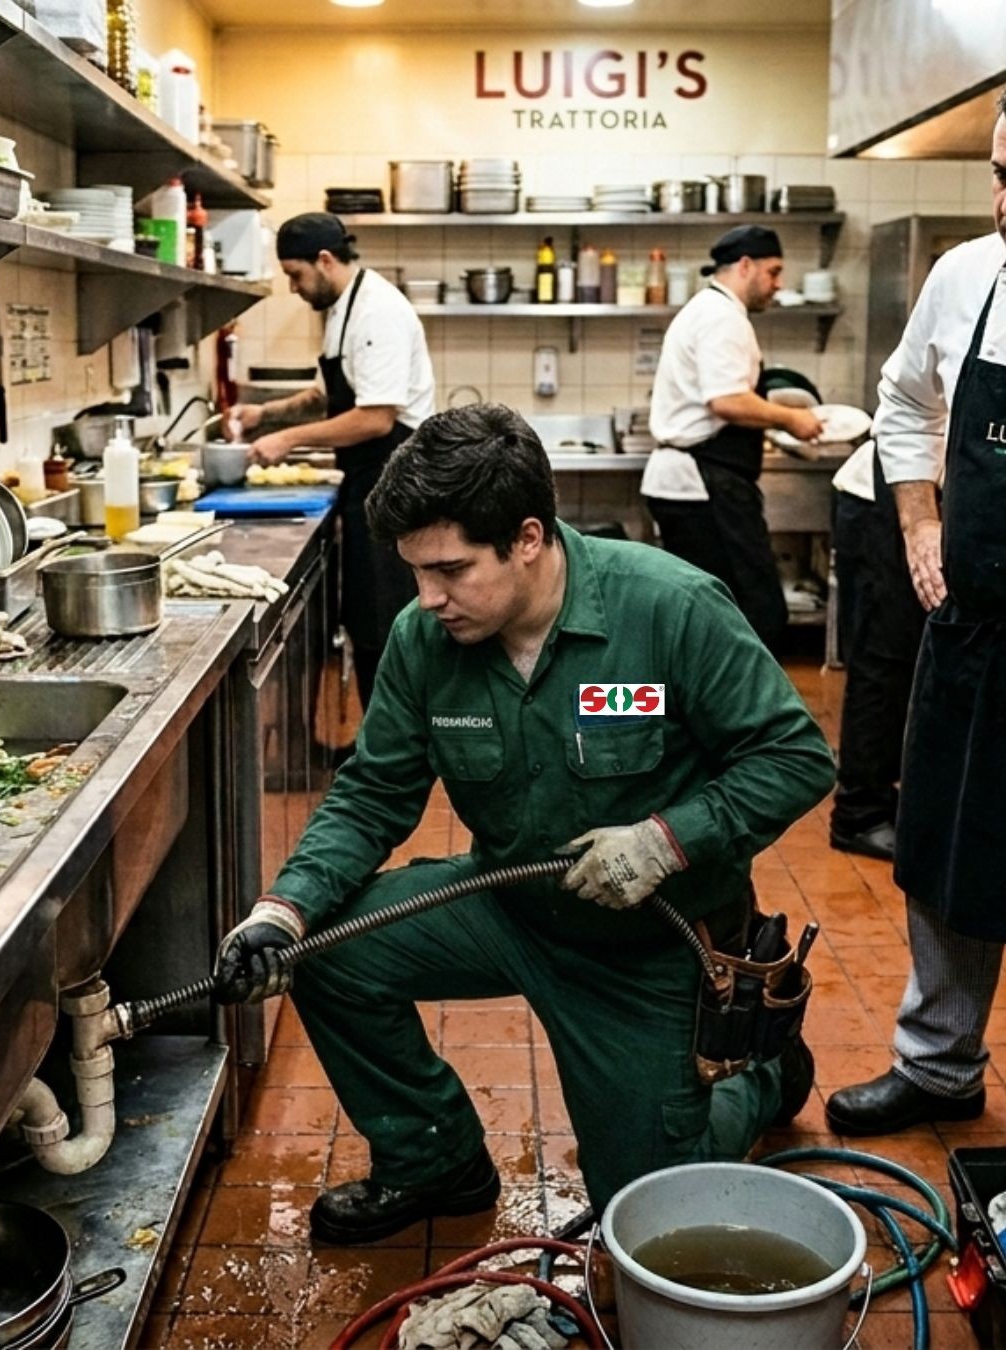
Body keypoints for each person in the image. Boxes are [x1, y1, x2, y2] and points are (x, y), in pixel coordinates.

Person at [214, 402, 836, 1245]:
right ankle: (437, 1161)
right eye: (414, 572)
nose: (428, 599)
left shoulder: (670, 608)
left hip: (647, 946)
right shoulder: (422, 639)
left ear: (529, 538)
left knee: (643, 1209)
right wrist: (281, 910)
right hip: (508, 904)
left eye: (452, 570)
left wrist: (666, 840)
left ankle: (762, 1080)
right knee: (321, 950)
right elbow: (373, 793)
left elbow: (796, 758)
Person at [825, 98, 1006, 1137]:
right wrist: (920, 519)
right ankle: (940, 1067)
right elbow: (902, 401)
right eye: (998, 172)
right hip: (974, 625)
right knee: (943, 848)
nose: (1002, 204)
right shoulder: (966, 276)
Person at [229, 212, 436, 708]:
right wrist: (265, 414)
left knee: (384, 621)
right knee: (365, 616)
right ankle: (373, 742)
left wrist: (288, 441)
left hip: (395, 482)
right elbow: (326, 394)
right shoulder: (344, 308)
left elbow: (375, 418)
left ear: (325, 260)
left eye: (296, 275)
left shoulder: (377, 311)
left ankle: (394, 749)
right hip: (368, 480)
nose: (294, 288)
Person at [642, 225, 825, 653]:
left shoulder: (710, 310)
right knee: (751, 614)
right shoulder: (722, 317)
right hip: (701, 487)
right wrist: (791, 420)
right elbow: (725, 400)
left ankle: (694, 714)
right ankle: (730, 716)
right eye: (774, 272)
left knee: (705, 619)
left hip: (698, 483)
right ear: (745, 266)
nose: (778, 285)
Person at [828, 440, 925, 861]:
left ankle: (888, 799)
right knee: (882, 660)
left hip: (923, 496)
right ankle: (859, 813)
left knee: (909, 663)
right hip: (886, 501)